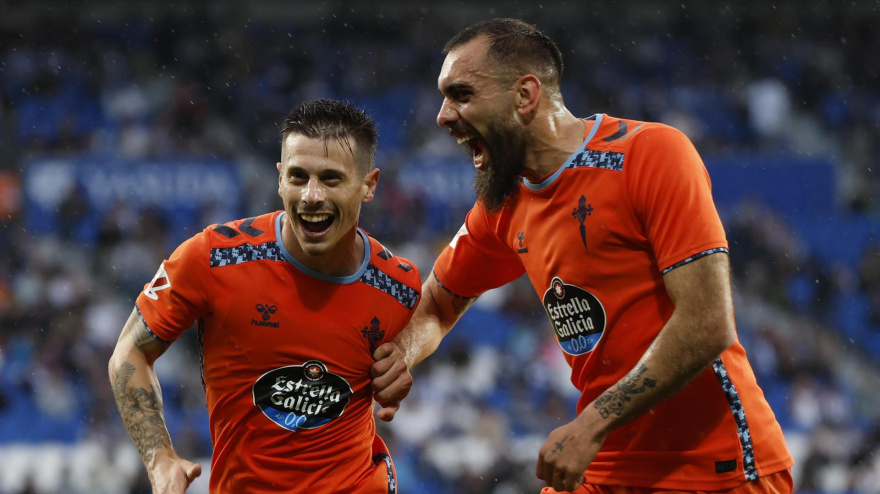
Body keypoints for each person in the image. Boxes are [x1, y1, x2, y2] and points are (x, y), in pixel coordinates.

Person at [371, 18, 794, 494]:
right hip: (606, 468)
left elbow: (707, 323)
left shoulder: (650, 154)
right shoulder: (501, 208)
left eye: (462, 94)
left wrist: (591, 424)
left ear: (525, 96)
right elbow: (436, 305)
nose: (442, 116)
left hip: (719, 469)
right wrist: (402, 355)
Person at [109, 99, 420, 493]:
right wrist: (160, 460)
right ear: (278, 179)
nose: (311, 195)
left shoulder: (398, 286)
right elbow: (129, 352)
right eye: (297, 176)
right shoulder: (212, 257)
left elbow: (433, 320)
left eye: (330, 178)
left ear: (369, 185)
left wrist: (406, 356)